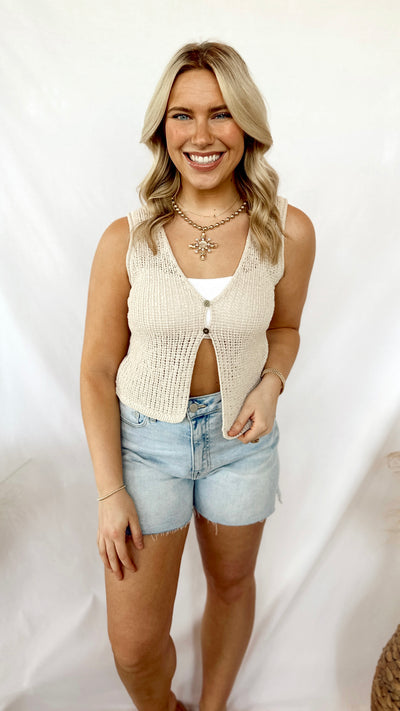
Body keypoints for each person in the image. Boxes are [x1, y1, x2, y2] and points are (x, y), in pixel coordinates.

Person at [80, 41, 315, 711]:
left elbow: (286, 329)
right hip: (146, 445)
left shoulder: (288, 231)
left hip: (242, 444)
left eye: (221, 113)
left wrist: (270, 385)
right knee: (134, 645)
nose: (202, 135)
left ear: (248, 124)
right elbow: (96, 371)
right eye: (183, 115)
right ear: (162, 128)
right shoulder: (125, 239)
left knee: (232, 586)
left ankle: (212, 706)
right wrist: (109, 492)